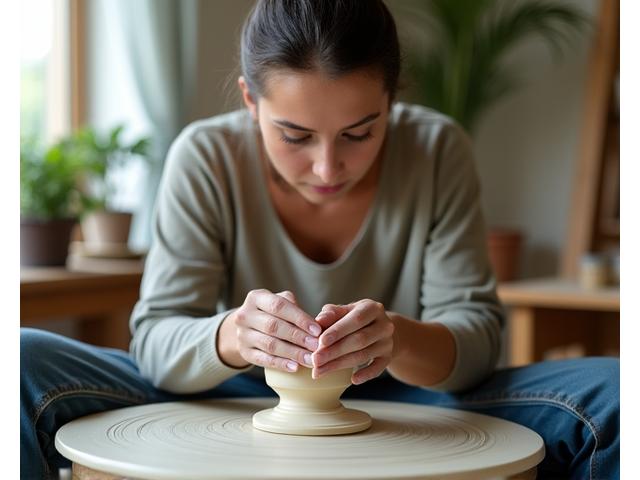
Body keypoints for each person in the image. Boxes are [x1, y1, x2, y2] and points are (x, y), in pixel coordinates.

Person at [20, 1, 619, 478]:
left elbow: (478, 340)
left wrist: (396, 339)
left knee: (621, 395)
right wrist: (232, 335)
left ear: (391, 101)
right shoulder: (206, 156)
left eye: (360, 133)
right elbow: (154, 340)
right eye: (295, 135)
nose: (328, 167)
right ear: (251, 101)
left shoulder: (437, 150)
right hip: (228, 392)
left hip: (411, 399)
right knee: (15, 359)